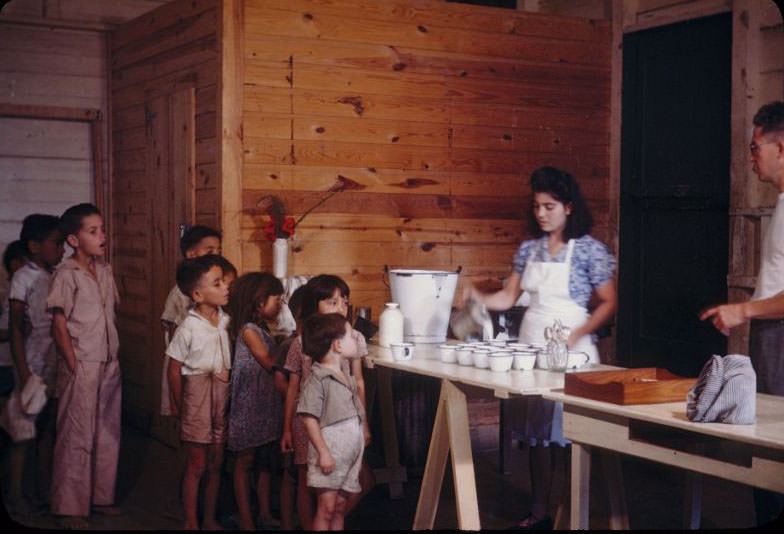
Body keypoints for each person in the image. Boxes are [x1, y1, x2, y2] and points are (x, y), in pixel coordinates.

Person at [466, 166, 617, 530]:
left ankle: (574, 509)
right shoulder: (528, 250)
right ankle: (539, 507)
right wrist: (477, 297)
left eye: (549, 206)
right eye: (536, 206)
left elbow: (609, 302)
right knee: (537, 434)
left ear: (568, 207)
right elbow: (508, 297)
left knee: (572, 433)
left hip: (573, 350)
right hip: (533, 344)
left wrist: (576, 334)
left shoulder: (589, 251)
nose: (541, 213)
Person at [700, 101, 784, 525]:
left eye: (755, 148)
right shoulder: (781, 203)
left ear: (781, 148)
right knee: (763, 446)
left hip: (780, 337)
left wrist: (743, 310)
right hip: (770, 333)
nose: (751, 158)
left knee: (773, 445)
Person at [47, 203, 121, 529]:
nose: (101, 236)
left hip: (109, 361)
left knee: (107, 432)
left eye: (102, 229)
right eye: (93, 231)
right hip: (82, 362)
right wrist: (73, 364)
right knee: (76, 433)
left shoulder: (104, 270)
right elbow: (59, 324)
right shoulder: (66, 275)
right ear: (74, 240)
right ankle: (69, 507)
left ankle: (99, 497)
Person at [281, 275, 372, 529]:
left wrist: (363, 425)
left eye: (344, 302)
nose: (341, 307)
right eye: (332, 302)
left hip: (344, 425)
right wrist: (287, 428)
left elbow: (359, 382)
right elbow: (293, 389)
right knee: (305, 479)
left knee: (342, 487)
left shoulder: (353, 339)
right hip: (309, 423)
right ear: (314, 306)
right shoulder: (301, 343)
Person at [2, 215, 64, 516]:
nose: (62, 249)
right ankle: (15, 495)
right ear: (35, 246)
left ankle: (43, 491)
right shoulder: (22, 278)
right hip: (31, 364)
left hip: (51, 362)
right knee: (23, 432)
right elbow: (16, 329)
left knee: (47, 430)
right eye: (56, 243)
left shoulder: (57, 274)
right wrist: (24, 372)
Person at [166, 254, 232, 530]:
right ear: (197, 294)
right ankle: (190, 520)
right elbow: (173, 369)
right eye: (217, 284)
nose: (225, 287)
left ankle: (209, 518)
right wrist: (180, 407)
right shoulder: (188, 327)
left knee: (217, 462)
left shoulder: (225, 320)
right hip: (197, 396)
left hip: (221, 393)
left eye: (224, 282)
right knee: (197, 463)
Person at [226, 272, 285, 530]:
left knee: (264, 461)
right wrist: (289, 346)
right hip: (249, 408)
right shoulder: (249, 331)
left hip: (264, 407)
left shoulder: (263, 330)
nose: (280, 305)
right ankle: (246, 519)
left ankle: (263, 513)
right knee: (246, 461)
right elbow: (270, 362)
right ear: (259, 302)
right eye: (277, 300)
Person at [297, 313, 365, 531]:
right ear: (337, 345)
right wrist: (323, 452)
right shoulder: (318, 379)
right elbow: (309, 418)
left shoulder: (346, 375)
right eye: (351, 337)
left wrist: (362, 430)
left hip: (350, 452)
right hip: (331, 452)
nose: (355, 340)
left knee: (339, 506)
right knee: (326, 508)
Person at [160, 224, 223, 417]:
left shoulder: (217, 287)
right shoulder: (180, 292)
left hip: (209, 363)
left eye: (219, 251)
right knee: (189, 417)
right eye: (210, 251)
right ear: (191, 255)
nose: (216, 255)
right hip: (186, 364)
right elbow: (173, 331)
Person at [271, 284, 308, 530]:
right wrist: (295, 402)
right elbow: (279, 378)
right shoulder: (291, 344)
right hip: (291, 416)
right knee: (289, 476)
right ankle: (286, 524)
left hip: (307, 419)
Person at [0, 241, 28, 400]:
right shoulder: (12, 290)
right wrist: (17, 332)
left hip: (12, 361)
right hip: (5, 361)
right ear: (14, 263)